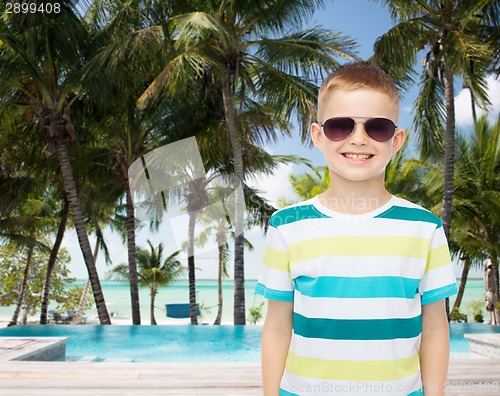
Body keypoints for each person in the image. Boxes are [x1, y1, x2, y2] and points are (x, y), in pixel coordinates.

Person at [255, 62, 458, 396]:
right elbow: (277, 327)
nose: (359, 139)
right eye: (340, 126)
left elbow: (435, 327)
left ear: (396, 140)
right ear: (318, 135)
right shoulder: (286, 226)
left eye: (377, 127)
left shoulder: (425, 228)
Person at [484, 259, 498, 325]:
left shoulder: (489, 271)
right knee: (493, 308)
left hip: (491, 292)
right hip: (490, 292)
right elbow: (487, 282)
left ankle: (494, 322)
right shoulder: (489, 272)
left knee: (492, 308)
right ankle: (494, 323)